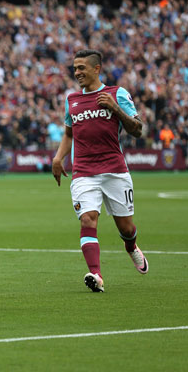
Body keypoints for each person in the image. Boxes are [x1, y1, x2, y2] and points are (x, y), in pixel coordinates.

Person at [52, 49, 148, 293]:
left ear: (96, 69)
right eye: (74, 68)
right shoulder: (72, 99)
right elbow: (68, 133)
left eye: (82, 68)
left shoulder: (117, 93)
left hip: (115, 170)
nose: (77, 73)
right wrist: (58, 157)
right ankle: (96, 274)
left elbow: (138, 130)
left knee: (126, 228)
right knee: (87, 219)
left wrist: (115, 109)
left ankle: (131, 247)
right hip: (83, 171)